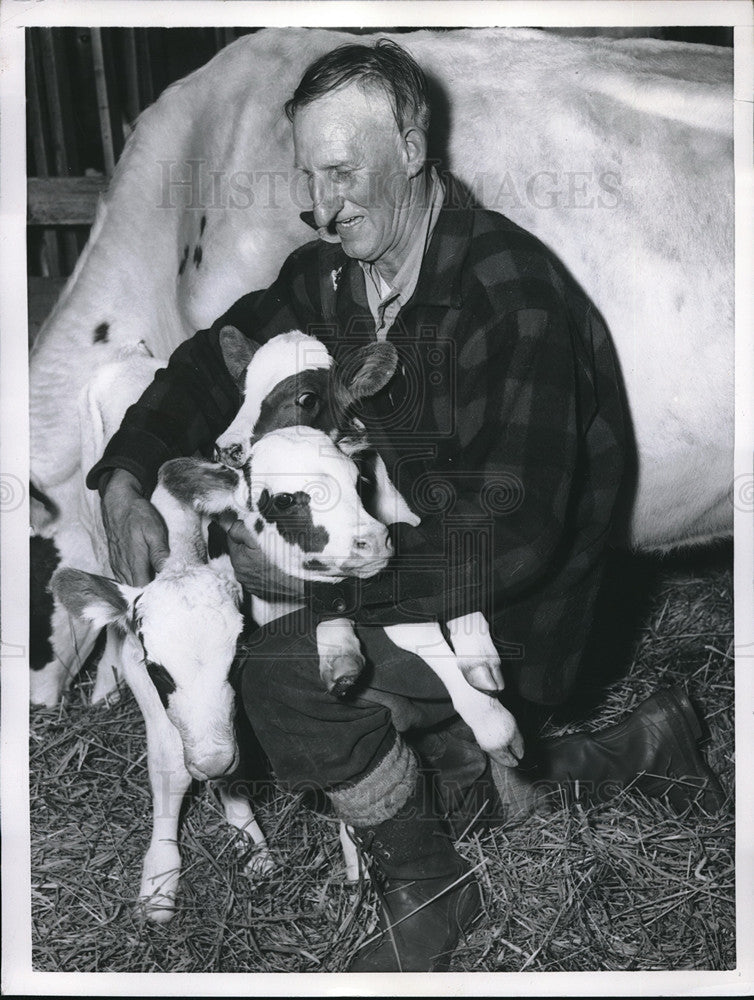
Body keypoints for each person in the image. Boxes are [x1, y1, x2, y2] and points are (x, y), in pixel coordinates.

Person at [89, 39, 724, 972]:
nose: (322, 202)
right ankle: (636, 747)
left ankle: (434, 889)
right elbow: (205, 360)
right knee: (423, 766)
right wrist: (125, 472)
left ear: (415, 149)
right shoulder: (341, 277)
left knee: (276, 680)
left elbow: (517, 543)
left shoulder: (512, 295)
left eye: (344, 172)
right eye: (309, 175)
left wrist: (317, 587)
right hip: (417, 567)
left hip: (522, 609)